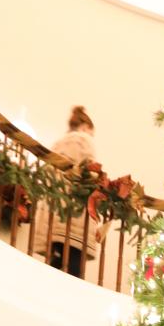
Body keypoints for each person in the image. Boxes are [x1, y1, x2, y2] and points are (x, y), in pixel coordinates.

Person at [33, 106, 99, 277]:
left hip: (55, 211)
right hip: (75, 213)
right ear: (86, 127)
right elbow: (91, 172)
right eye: (92, 132)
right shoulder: (84, 140)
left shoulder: (58, 143)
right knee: (74, 267)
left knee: (56, 261)